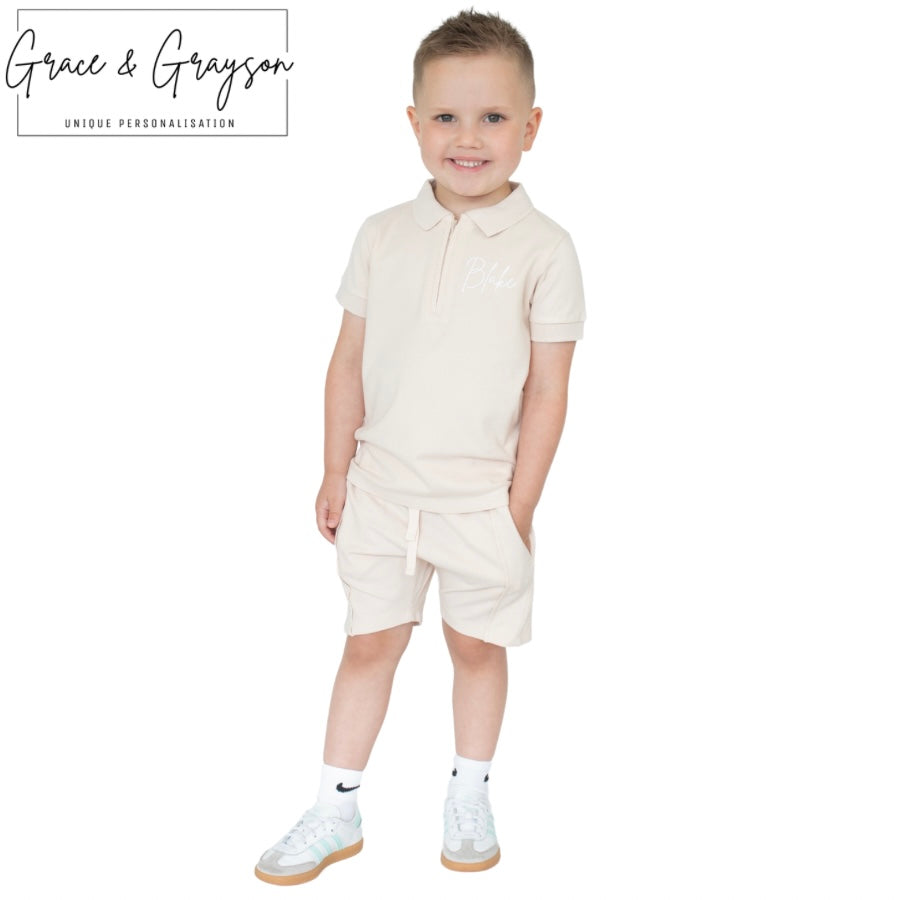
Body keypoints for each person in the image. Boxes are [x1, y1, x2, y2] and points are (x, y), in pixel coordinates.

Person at [255, 9, 586, 885]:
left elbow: (548, 390)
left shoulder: (547, 249)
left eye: (492, 118)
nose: (467, 139)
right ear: (413, 122)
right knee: (368, 644)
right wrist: (335, 468)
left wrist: (519, 507)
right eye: (445, 116)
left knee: (476, 648)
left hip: (482, 500)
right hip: (380, 492)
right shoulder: (381, 234)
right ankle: (335, 809)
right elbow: (348, 359)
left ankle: (469, 793)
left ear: (531, 127)